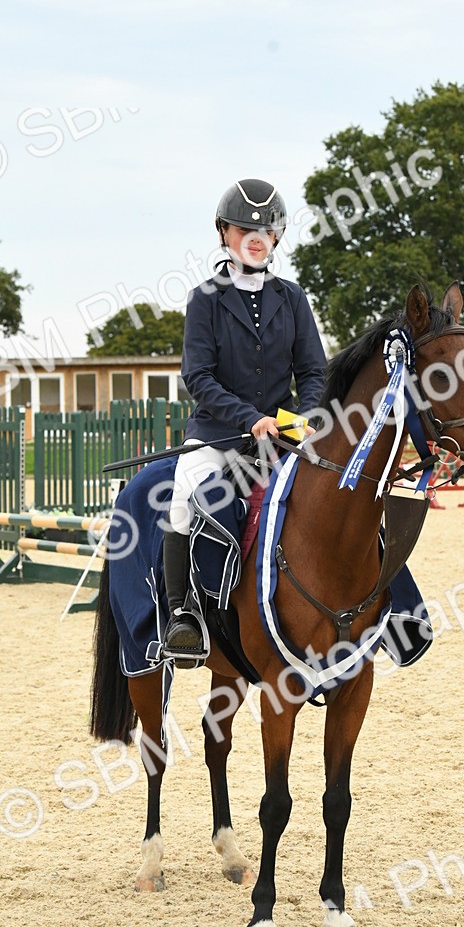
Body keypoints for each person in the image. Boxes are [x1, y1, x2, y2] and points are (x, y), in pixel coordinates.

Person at [162, 178, 327, 664]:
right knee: (182, 499)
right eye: (243, 230)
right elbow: (199, 376)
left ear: (277, 237)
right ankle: (183, 614)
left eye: (266, 231)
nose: (256, 238)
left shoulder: (292, 297)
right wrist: (250, 418)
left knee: (341, 493)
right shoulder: (205, 298)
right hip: (218, 433)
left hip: (283, 436)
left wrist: (301, 419)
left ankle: (390, 608)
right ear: (223, 233)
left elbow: (313, 371)